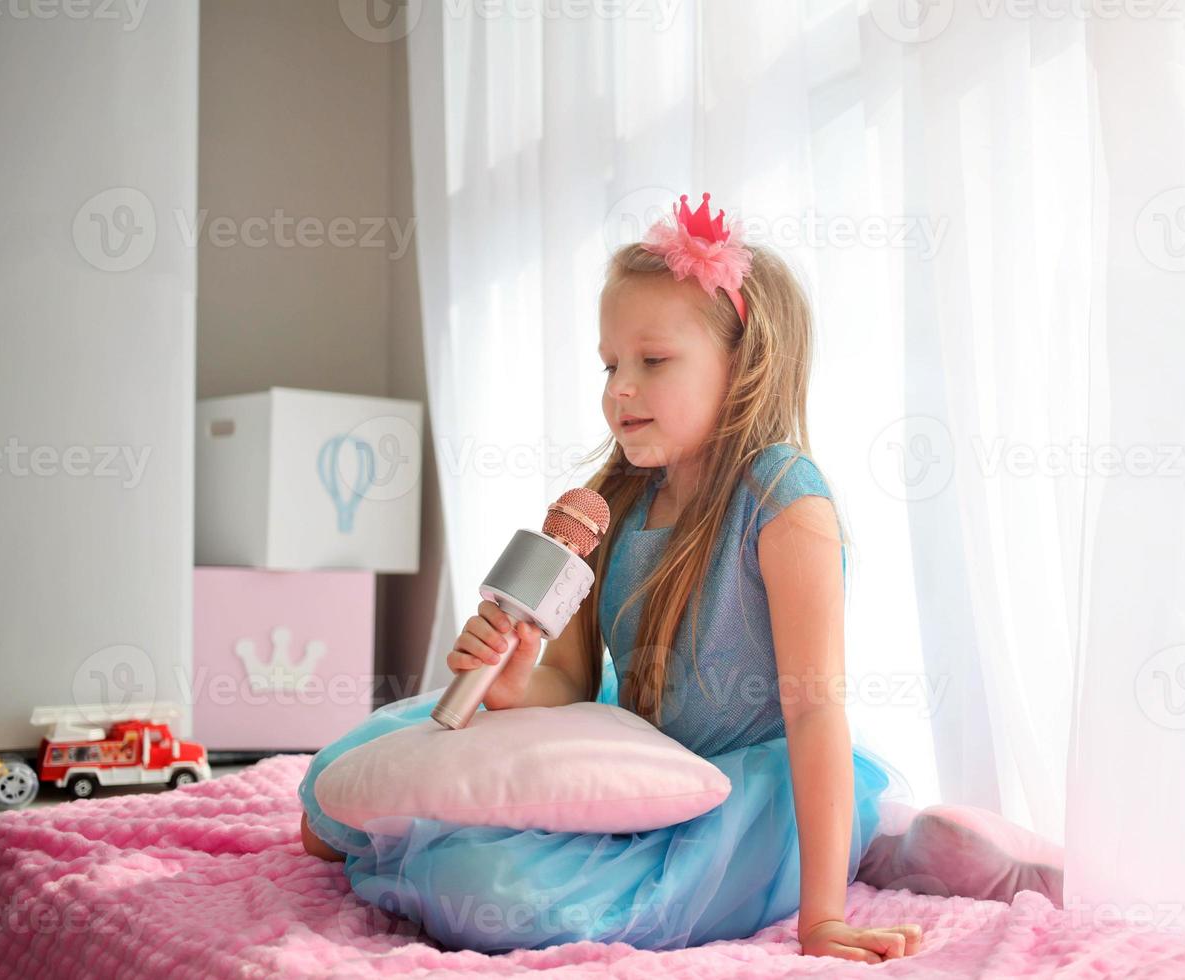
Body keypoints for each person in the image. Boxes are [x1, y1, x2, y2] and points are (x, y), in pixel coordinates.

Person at [300, 192, 925, 962]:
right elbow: (569, 677)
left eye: (652, 361)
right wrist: (513, 681)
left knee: (488, 886)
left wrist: (822, 920)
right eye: (610, 365)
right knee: (336, 782)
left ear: (744, 363)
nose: (618, 388)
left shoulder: (781, 499)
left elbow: (814, 716)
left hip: (743, 800)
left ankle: (902, 844)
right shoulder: (617, 501)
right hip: (635, 757)